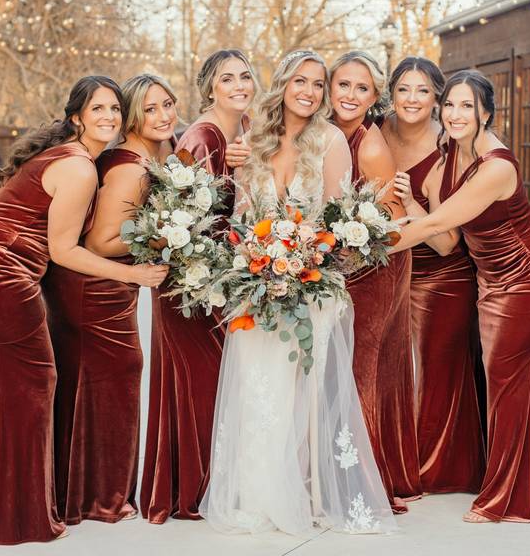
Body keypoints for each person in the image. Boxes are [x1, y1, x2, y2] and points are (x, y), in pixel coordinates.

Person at [0, 76, 148, 545]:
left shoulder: (69, 155)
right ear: (76, 117)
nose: (108, 117)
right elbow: (64, 251)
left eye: (114, 109)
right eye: (98, 109)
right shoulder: (80, 168)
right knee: (36, 382)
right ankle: (20, 515)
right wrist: (133, 275)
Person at [200, 50, 396, 536]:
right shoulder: (254, 138)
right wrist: (255, 260)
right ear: (284, 83)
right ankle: (259, 492)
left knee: (304, 393)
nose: (308, 91)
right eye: (299, 81)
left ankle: (306, 491)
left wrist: (300, 259)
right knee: (257, 385)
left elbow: (334, 220)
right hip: (256, 281)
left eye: (317, 83)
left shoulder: (331, 141)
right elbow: (243, 213)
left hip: (310, 283)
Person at [391, 69, 530, 523]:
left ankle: (506, 498)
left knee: (503, 375)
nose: (455, 113)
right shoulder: (447, 158)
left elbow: (431, 227)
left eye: (467, 105)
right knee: (510, 376)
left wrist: (359, 250)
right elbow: (446, 240)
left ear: (486, 112)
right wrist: (411, 202)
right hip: (490, 276)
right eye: (449, 104)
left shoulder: (496, 167)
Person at [41, 74, 173, 525]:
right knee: (116, 381)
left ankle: (81, 493)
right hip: (94, 290)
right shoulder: (132, 167)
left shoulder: (137, 157)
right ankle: (105, 498)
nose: (163, 115)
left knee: (90, 388)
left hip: (96, 287)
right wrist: (163, 239)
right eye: (150, 108)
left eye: (168, 104)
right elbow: (101, 242)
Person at [141, 50, 255, 524]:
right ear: (209, 88)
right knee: (203, 385)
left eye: (245, 76)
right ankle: (194, 489)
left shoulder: (243, 131)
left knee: (217, 384)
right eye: (226, 78)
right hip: (193, 284)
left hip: (220, 281)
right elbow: (189, 220)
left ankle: (208, 482)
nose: (238, 85)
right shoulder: (203, 136)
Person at [384, 57, 485, 495]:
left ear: (438, 100)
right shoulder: (373, 130)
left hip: (440, 274)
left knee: (435, 372)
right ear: (391, 94)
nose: (412, 99)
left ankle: (434, 469)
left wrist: (409, 205)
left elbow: (447, 241)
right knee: (389, 371)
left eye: (423, 91)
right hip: (386, 270)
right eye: (404, 89)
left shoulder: (450, 148)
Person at [327, 50, 421, 512]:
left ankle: (358, 482)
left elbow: (394, 219)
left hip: (375, 268)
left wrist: (352, 243)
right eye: (343, 84)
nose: (350, 95)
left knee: (360, 367)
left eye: (362, 88)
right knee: (333, 368)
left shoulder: (370, 146)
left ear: (374, 96)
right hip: (335, 266)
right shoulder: (321, 133)